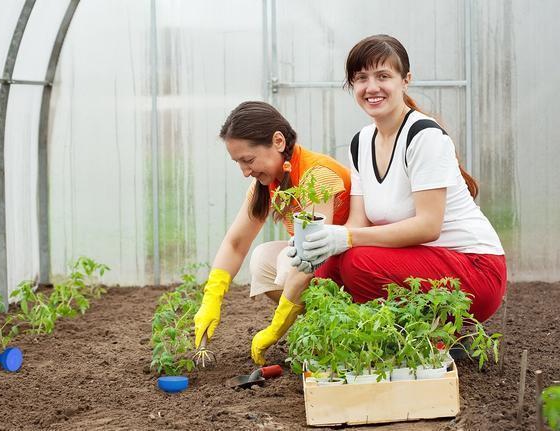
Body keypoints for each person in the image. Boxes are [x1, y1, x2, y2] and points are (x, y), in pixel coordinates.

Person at [291, 34, 506, 323]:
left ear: (405, 80)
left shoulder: (424, 137)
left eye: (383, 76)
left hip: (474, 270)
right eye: (361, 78)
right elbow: (358, 222)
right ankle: (375, 339)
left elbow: (428, 226)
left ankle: (433, 336)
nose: (372, 87)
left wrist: (345, 237)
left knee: (357, 262)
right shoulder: (361, 142)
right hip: (422, 264)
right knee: (327, 269)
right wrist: (316, 245)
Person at [194, 101, 351, 365]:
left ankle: (342, 324)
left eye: (248, 160)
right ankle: (318, 327)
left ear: (277, 141)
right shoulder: (269, 184)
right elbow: (236, 243)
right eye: (238, 163)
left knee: (289, 263)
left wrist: (275, 329)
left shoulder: (317, 175)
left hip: (347, 268)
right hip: (318, 267)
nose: (245, 172)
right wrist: (212, 297)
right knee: (263, 259)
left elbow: (310, 259)